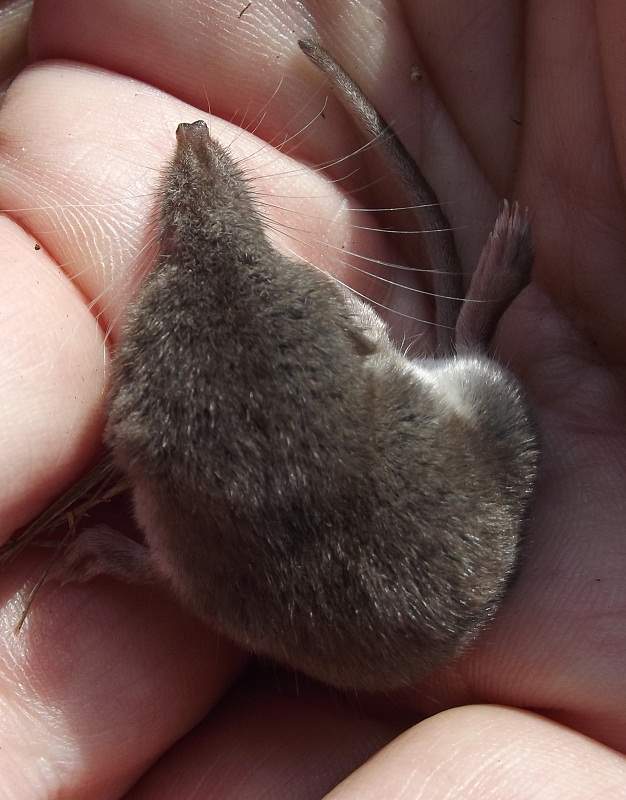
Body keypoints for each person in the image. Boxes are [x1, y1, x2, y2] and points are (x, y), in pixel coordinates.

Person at [0, 1, 624, 796]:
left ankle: (476, 327)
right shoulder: (214, 550)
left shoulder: (198, 554)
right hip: (443, 557)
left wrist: (130, 562)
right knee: (493, 415)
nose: (196, 164)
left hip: (394, 615)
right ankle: (472, 336)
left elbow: (199, 584)